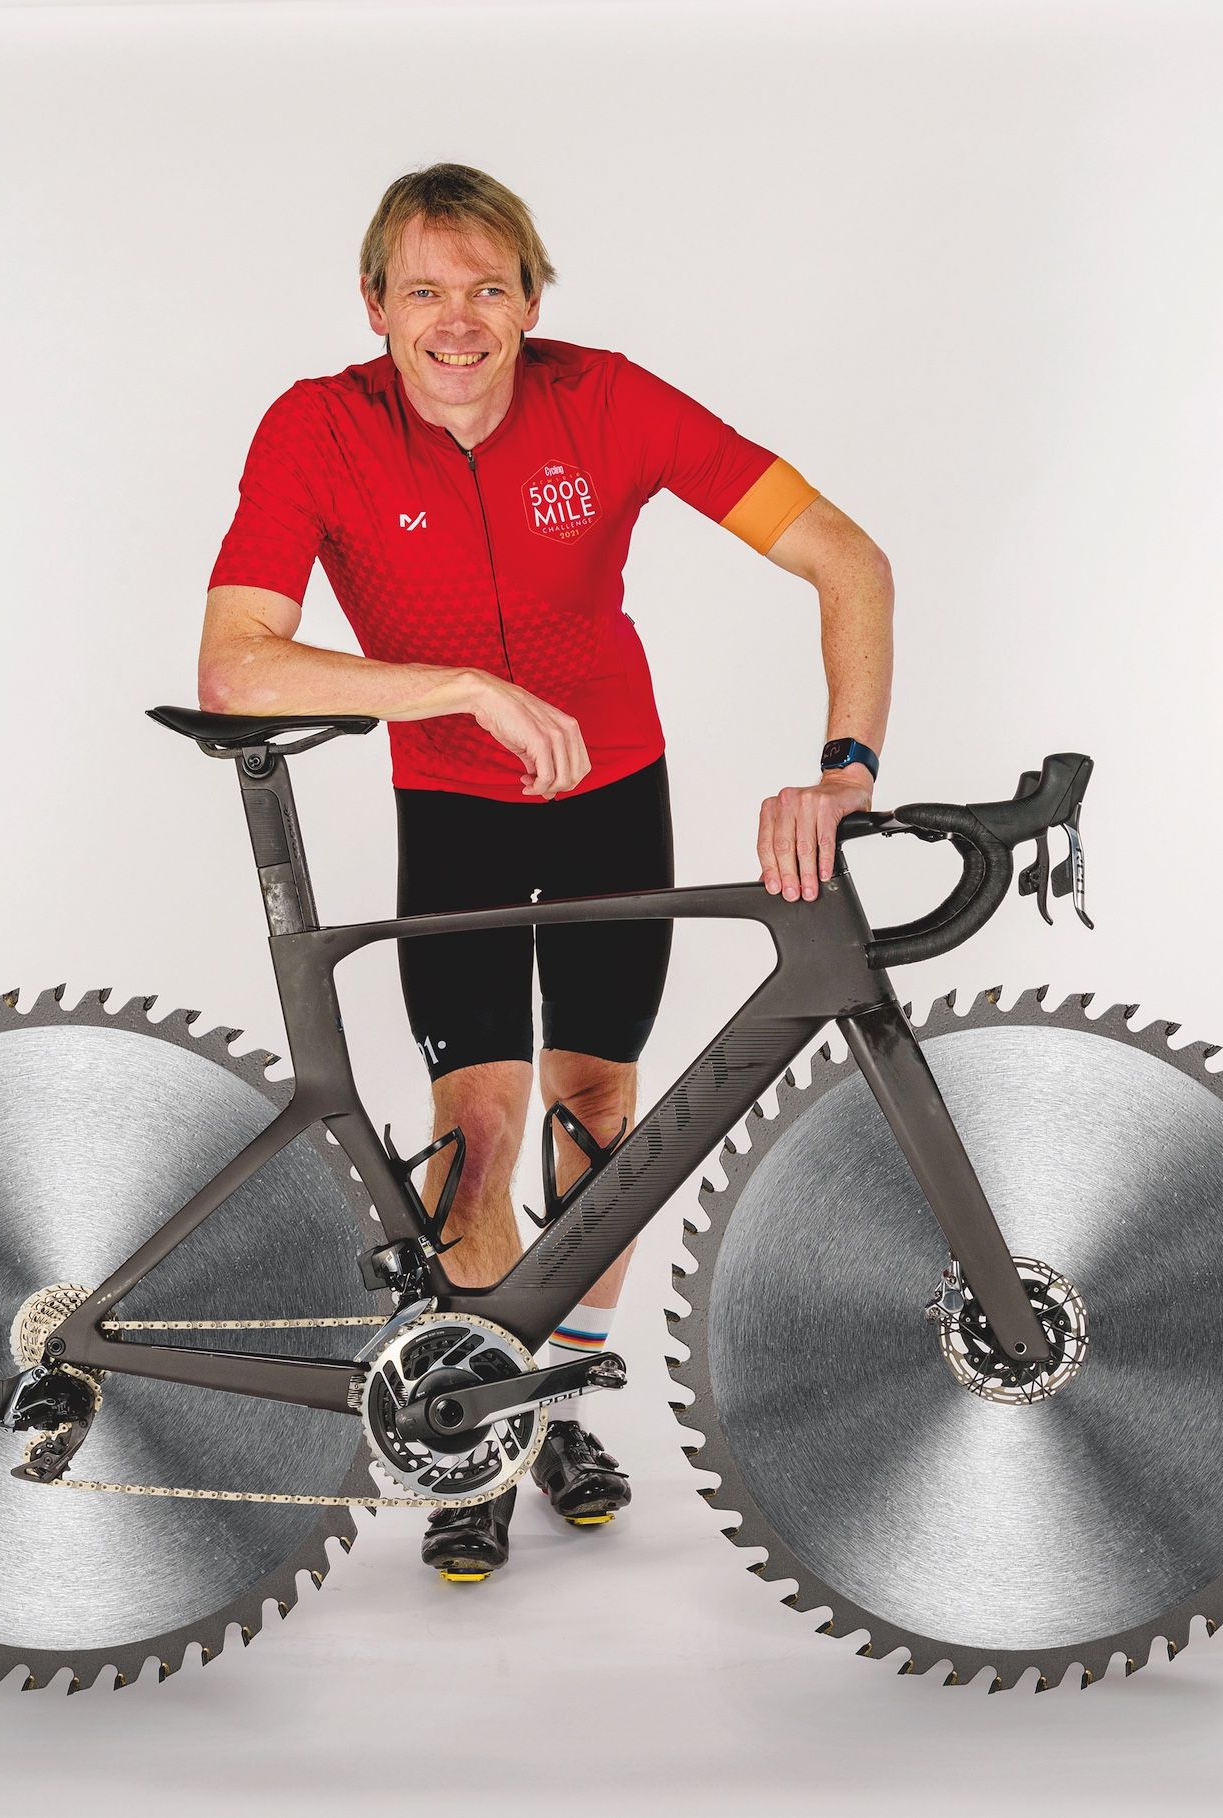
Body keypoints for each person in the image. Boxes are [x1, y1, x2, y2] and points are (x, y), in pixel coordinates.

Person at [197, 163, 894, 1581]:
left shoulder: (609, 401)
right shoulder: (320, 427)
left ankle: (553, 1401)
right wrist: (458, 684)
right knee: (480, 1133)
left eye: (489, 289)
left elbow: (849, 559)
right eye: (424, 290)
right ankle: (481, 1421)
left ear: (531, 299)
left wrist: (844, 768)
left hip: (611, 795)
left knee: (600, 1112)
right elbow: (234, 665)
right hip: (452, 809)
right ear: (375, 304)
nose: (457, 322)